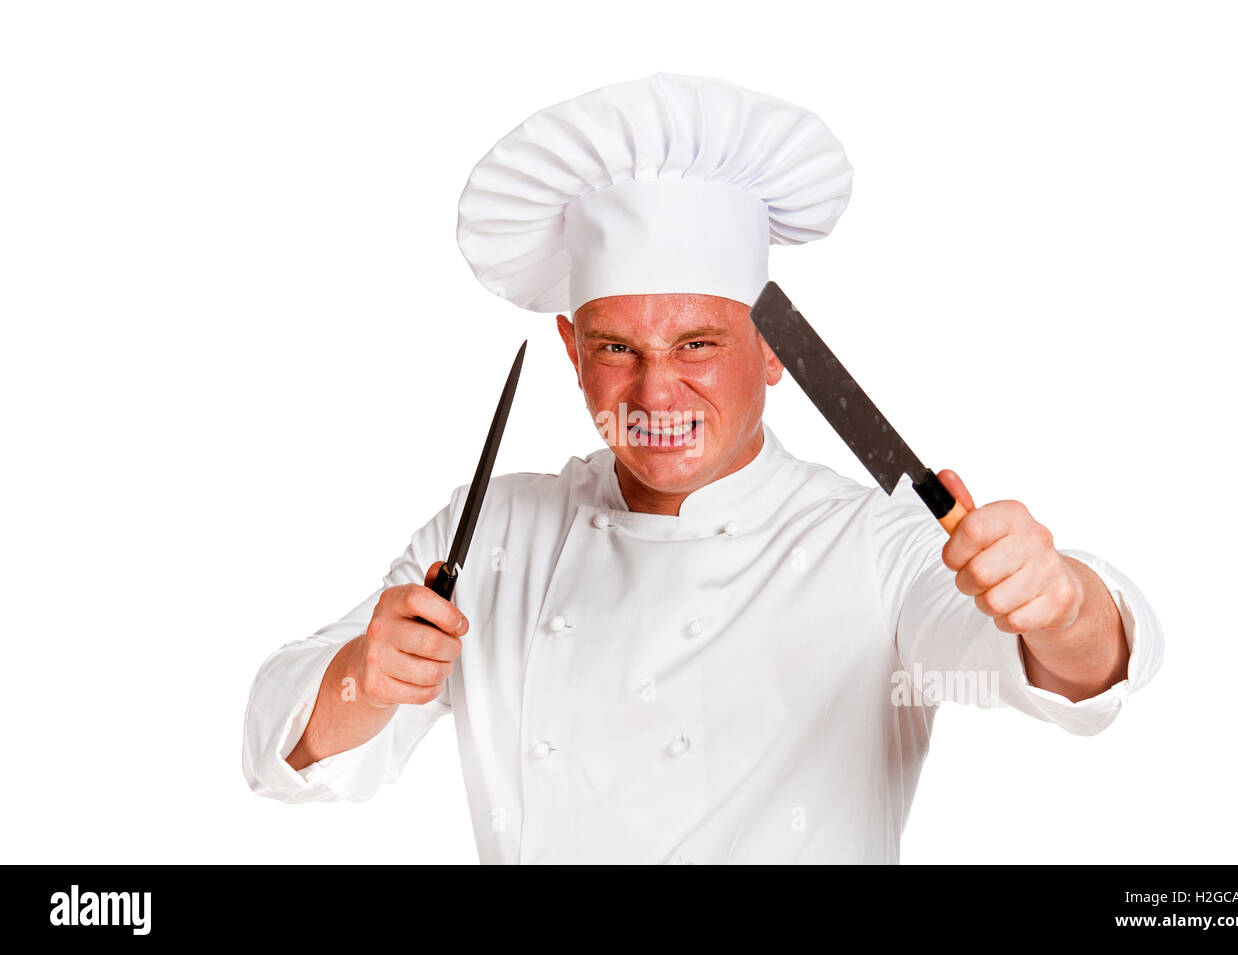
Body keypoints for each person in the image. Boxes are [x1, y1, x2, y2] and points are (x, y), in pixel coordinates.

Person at [242, 73, 1163, 864]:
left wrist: (1064, 604)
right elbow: (277, 747)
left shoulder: (878, 539)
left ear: (775, 350)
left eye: (698, 341)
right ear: (569, 347)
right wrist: (367, 671)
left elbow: (1076, 677)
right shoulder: (492, 533)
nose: (655, 387)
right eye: (615, 346)